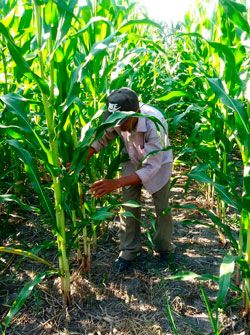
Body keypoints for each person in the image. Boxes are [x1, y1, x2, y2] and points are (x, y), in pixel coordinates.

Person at [88, 87, 174, 272]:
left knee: (162, 209)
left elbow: (152, 166)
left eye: (122, 122)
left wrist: (116, 183)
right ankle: (128, 251)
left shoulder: (154, 123)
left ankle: (163, 249)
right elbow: (104, 136)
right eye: (114, 121)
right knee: (128, 207)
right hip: (132, 160)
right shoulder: (118, 119)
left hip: (158, 166)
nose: (118, 126)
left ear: (136, 113)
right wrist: (85, 155)